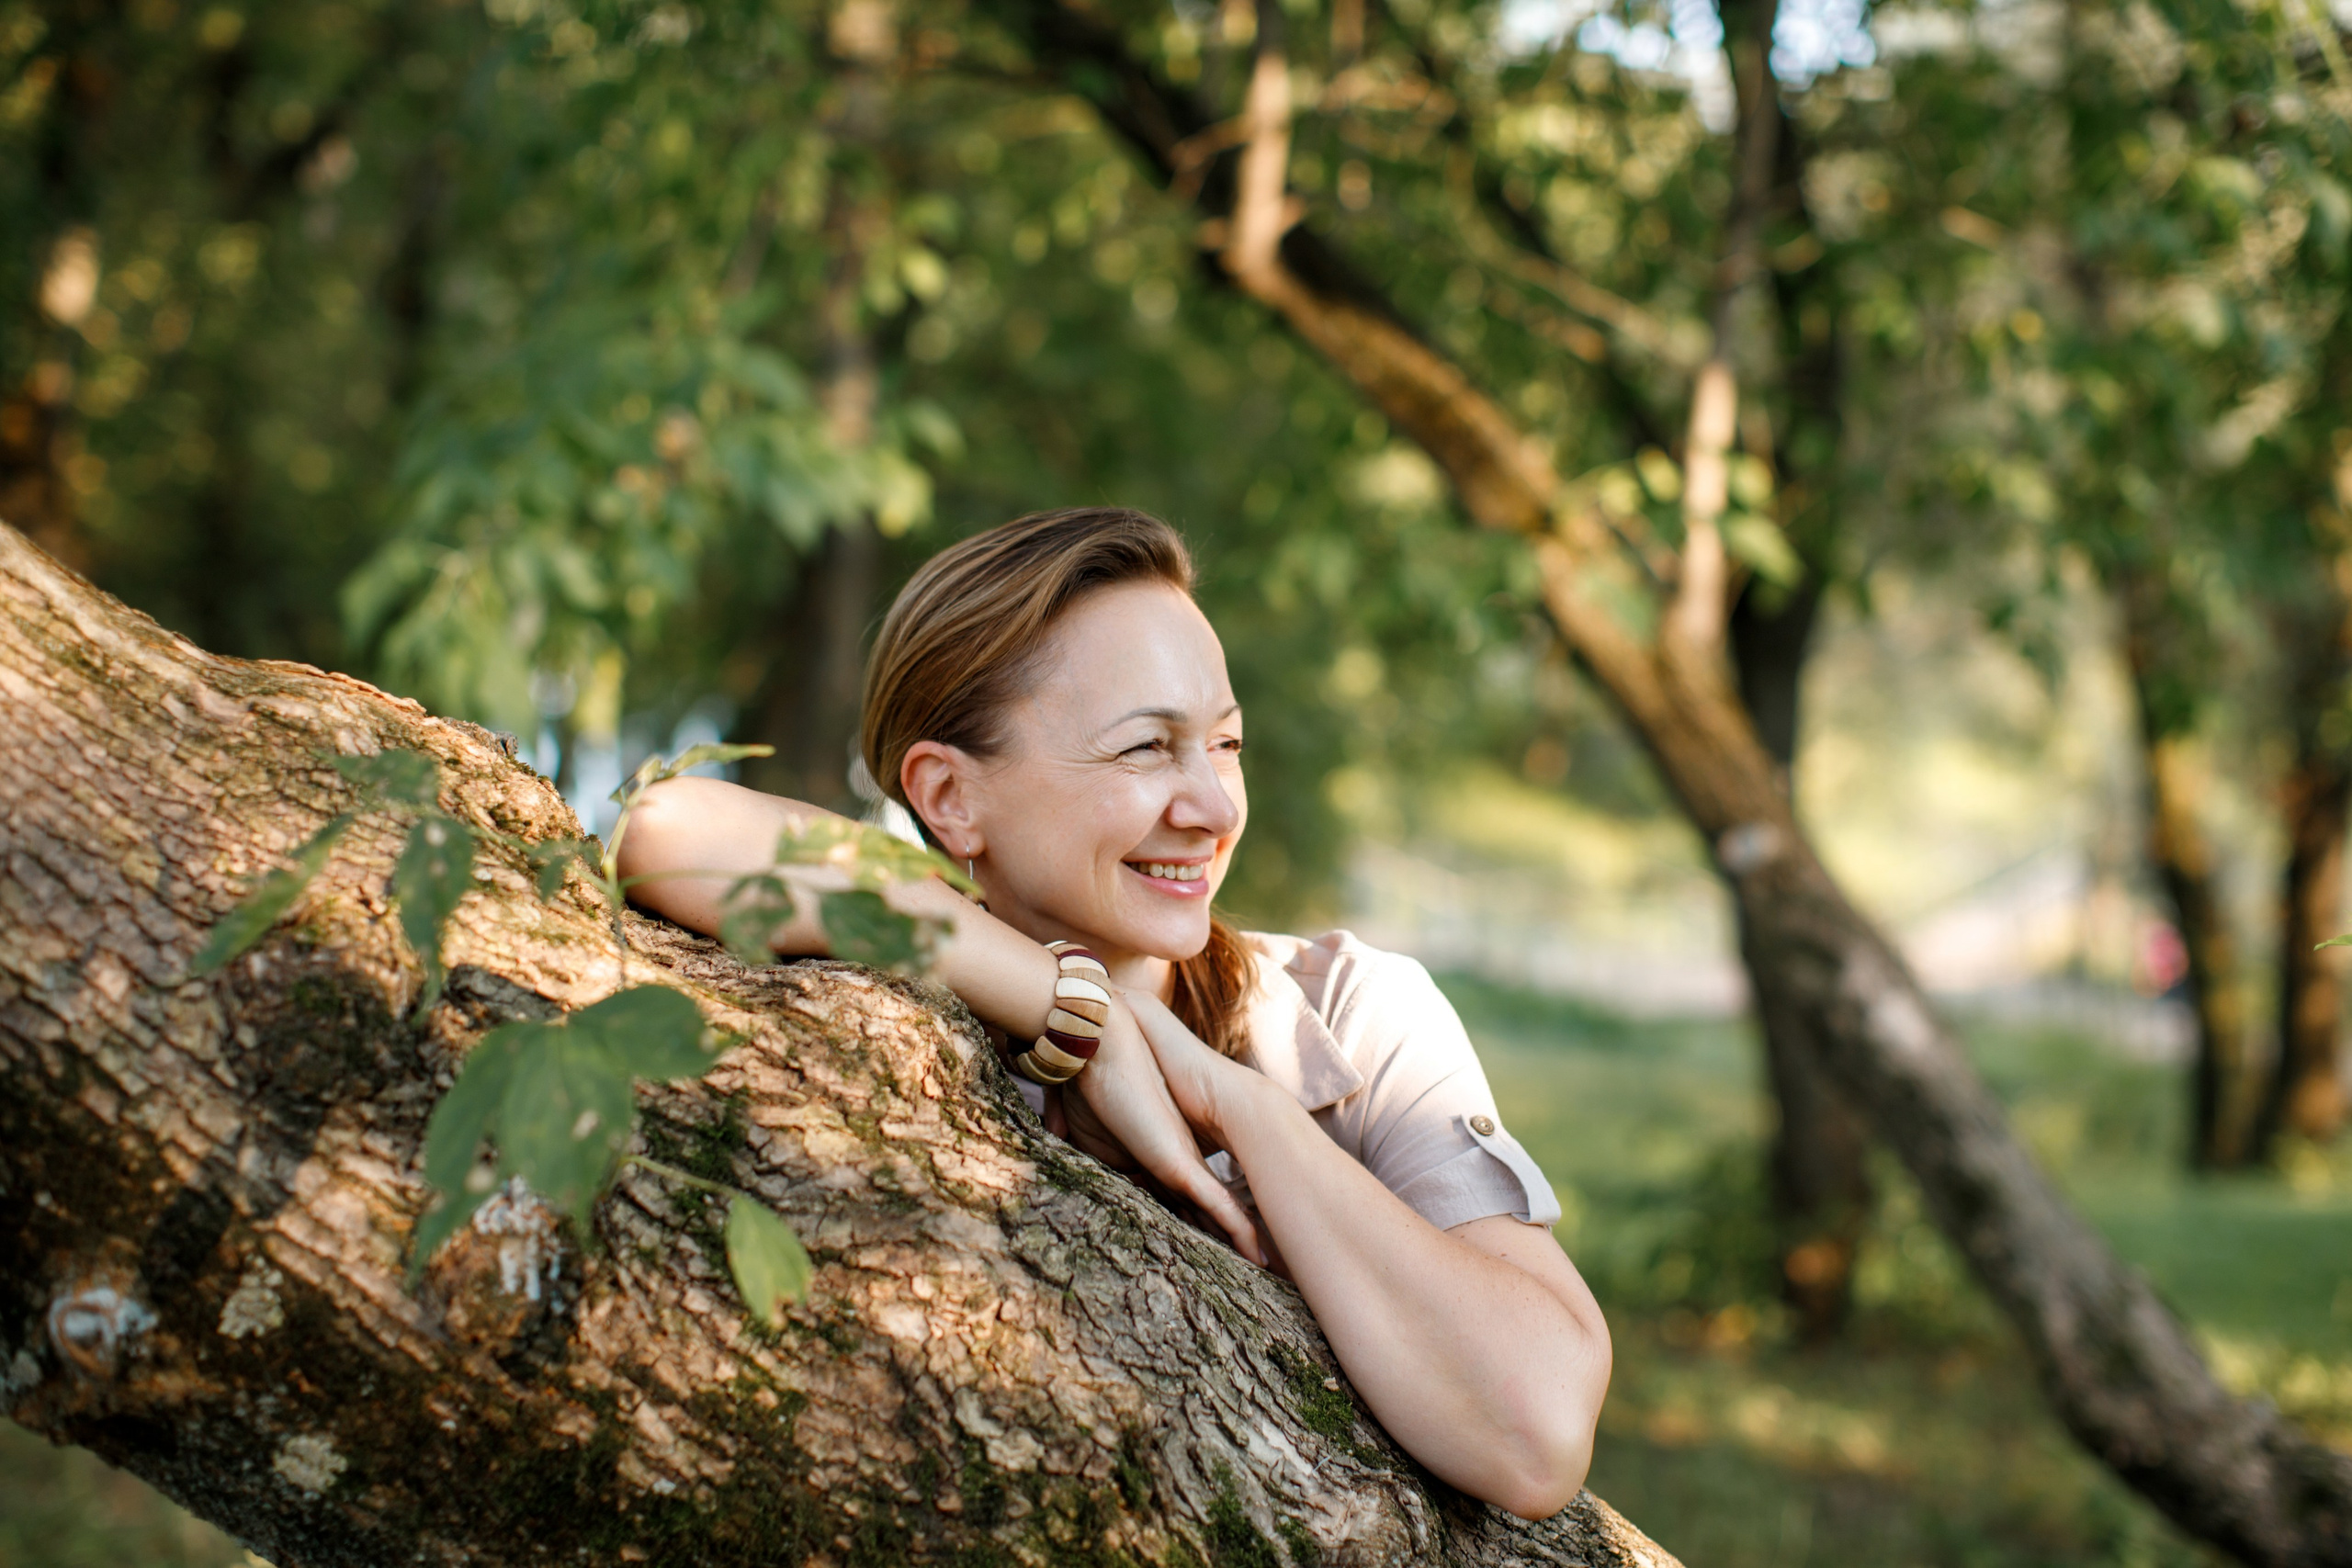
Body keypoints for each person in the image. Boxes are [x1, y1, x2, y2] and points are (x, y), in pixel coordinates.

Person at [617, 507, 1611, 1518]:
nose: (1215, 807)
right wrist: (1075, 1011)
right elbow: (669, 831)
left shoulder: (1347, 1015)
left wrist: (1242, 1107)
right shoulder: (884, 997)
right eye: (1146, 750)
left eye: (1224, 745)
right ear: (950, 798)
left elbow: (1533, 1434)